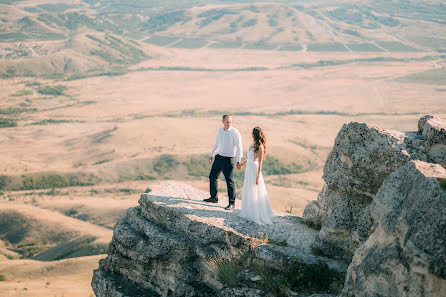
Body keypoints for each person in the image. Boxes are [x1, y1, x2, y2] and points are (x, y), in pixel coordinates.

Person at [203, 115, 243, 210]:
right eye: (227, 122)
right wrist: (212, 154)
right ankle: (214, 197)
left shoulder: (235, 132)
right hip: (219, 157)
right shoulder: (220, 131)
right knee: (212, 176)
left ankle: (232, 203)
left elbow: (239, 147)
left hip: (229, 160)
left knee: (229, 181)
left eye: (230, 122)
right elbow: (217, 143)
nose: (229, 124)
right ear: (223, 122)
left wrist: (238, 160)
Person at [238, 127, 275, 225]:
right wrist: (242, 163)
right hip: (249, 168)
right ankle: (248, 211)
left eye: (252, 133)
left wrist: (258, 177)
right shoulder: (252, 144)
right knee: (248, 189)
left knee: (255, 190)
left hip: (254, 169)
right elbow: (249, 158)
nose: (251, 134)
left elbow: (260, 162)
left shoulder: (260, 147)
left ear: (255, 134)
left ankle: (256, 213)